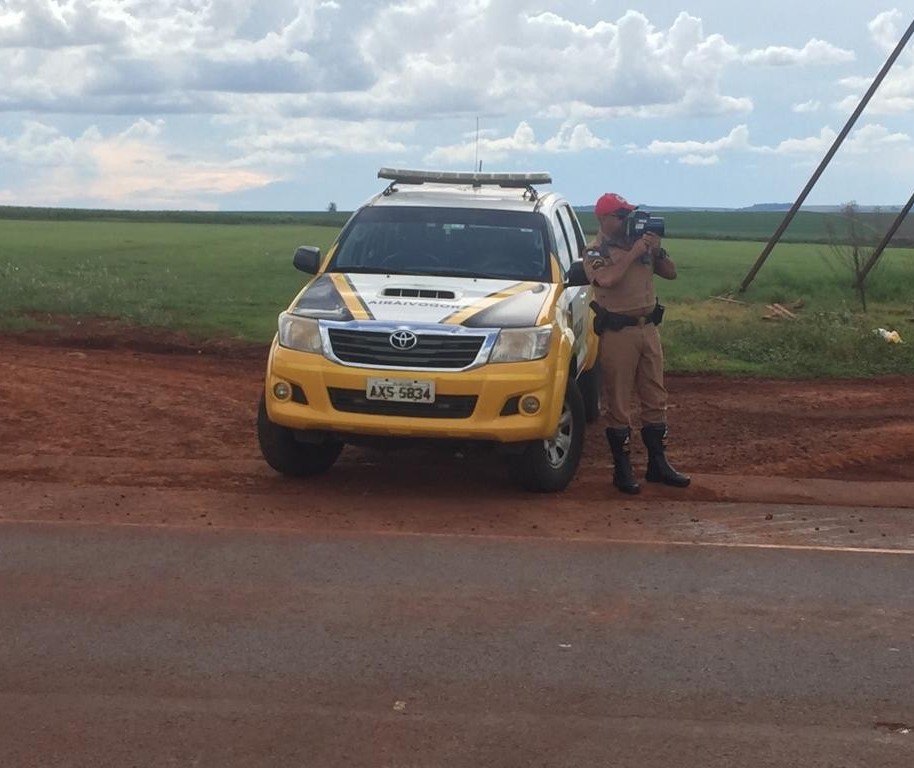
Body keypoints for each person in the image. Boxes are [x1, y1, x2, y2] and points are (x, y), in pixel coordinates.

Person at [583, 192, 690, 495]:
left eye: (627, 214)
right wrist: (631, 255)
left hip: (648, 329)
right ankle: (622, 470)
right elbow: (606, 280)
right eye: (620, 215)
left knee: (656, 396)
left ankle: (658, 464)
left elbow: (671, 273)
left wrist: (657, 252)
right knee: (618, 402)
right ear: (604, 219)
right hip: (618, 333)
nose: (626, 220)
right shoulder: (594, 251)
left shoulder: (641, 246)